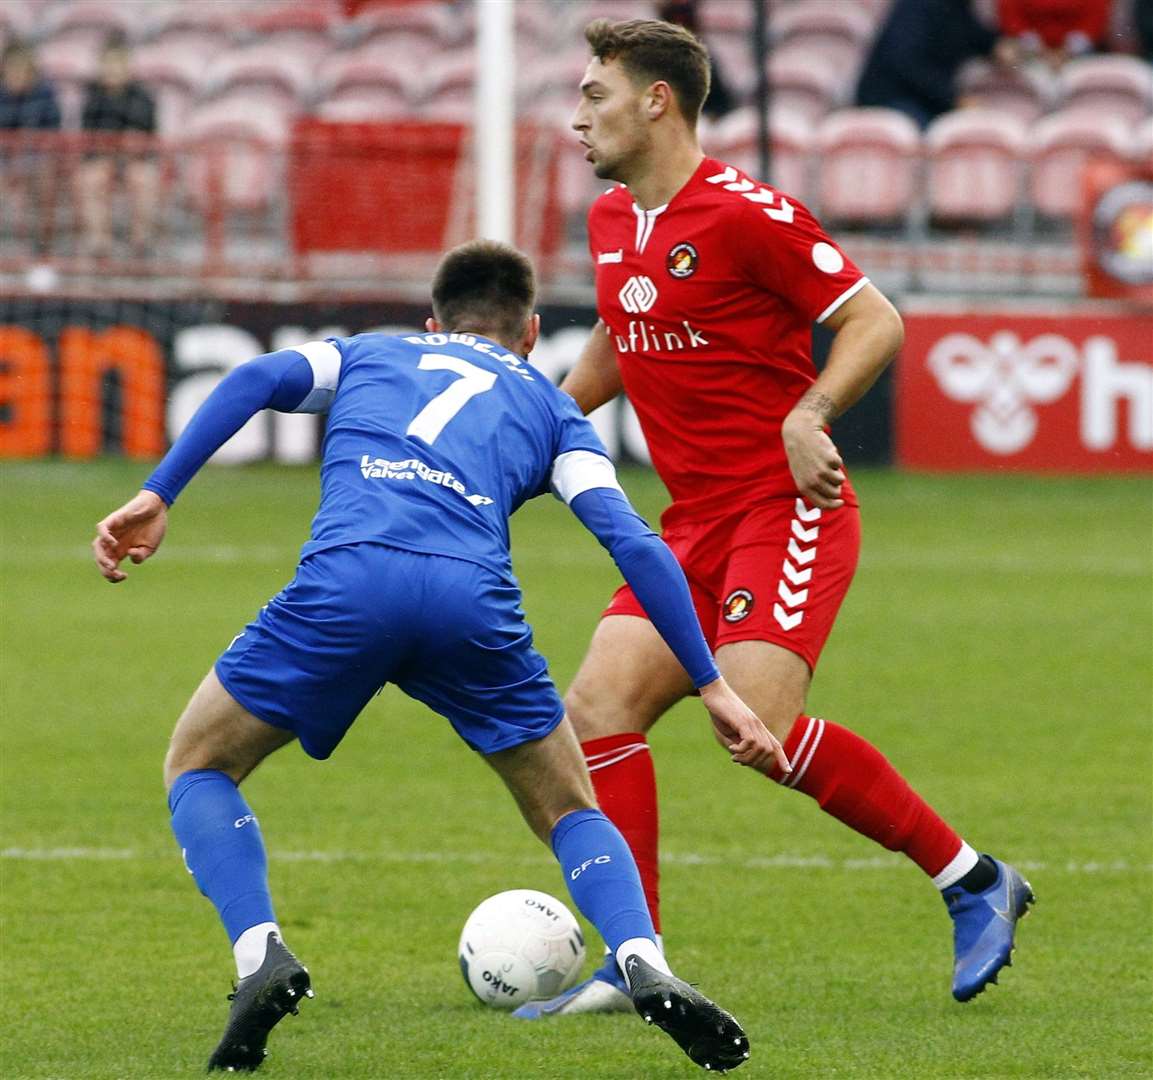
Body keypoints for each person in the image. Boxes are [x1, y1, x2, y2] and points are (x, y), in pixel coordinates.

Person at [91, 240, 788, 1074]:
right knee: (569, 807)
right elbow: (634, 543)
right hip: (471, 605)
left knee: (199, 762)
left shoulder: (372, 352)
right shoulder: (552, 405)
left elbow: (249, 382)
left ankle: (259, 955)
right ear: (531, 333)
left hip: (348, 583)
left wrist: (156, 494)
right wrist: (711, 684)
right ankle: (643, 960)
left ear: (435, 320)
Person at [513, 18, 1034, 1021]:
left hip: (784, 509)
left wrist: (809, 412)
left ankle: (970, 878)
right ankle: (637, 962)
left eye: (595, 95)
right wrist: (527, 426)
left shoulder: (747, 212)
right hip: (689, 527)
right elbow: (619, 345)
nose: (577, 115)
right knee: (595, 713)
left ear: (656, 100)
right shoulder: (613, 221)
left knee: (760, 729)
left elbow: (875, 318)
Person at [75, 32, 159, 258]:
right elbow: (88, 139)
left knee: (145, 179)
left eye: (119, 63)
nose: (114, 69)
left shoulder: (144, 97)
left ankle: (141, 242)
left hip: (135, 161)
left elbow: (150, 138)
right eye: (108, 63)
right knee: (91, 179)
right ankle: (99, 244)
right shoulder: (92, 97)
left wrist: (132, 145)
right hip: (101, 159)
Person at [855, 0, 1000, 128]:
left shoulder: (955, 5)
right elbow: (908, 63)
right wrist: (954, 99)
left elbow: (965, 29)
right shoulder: (919, 5)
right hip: (893, 99)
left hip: (925, 98)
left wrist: (994, 45)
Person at [0, 39, 61, 254]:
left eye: (22, 67)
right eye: (12, 66)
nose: (16, 72)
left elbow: (53, 131)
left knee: (44, 176)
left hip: (35, 157)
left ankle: (42, 249)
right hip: (4, 158)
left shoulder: (45, 93)